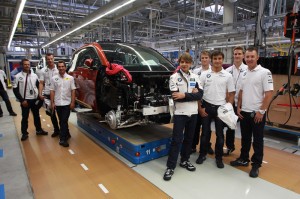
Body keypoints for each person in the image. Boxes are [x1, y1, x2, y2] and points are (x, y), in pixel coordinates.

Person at [230, 46, 273, 178]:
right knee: (245, 138)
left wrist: (261, 111)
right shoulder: (244, 73)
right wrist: (239, 107)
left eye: (252, 56)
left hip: (257, 113)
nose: (249, 59)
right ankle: (244, 158)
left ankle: (256, 164)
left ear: (257, 57)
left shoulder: (265, 72)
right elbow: (241, 91)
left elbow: (269, 93)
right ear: (245, 58)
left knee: (258, 139)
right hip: (245, 112)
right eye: (247, 57)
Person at [163, 53, 203, 181]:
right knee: (177, 140)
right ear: (179, 63)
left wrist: (184, 95)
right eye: (182, 62)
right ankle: (170, 166)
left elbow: (200, 95)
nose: (184, 64)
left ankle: (184, 160)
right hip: (180, 114)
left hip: (194, 113)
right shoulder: (174, 77)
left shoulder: (196, 77)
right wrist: (190, 95)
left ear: (191, 63)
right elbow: (176, 97)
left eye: (187, 62)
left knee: (189, 139)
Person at [196, 50, 235, 169]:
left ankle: (219, 158)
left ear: (222, 60)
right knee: (205, 133)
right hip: (206, 107)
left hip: (220, 108)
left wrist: (227, 109)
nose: (217, 61)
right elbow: (198, 92)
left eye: (219, 59)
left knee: (220, 135)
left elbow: (232, 93)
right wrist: (200, 108)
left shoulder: (228, 76)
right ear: (211, 60)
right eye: (215, 59)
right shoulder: (204, 75)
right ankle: (202, 154)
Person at [13, 59, 48, 141]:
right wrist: (22, 100)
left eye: (28, 64)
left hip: (34, 99)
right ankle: (24, 133)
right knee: (25, 117)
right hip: (25, 101)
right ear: (22, 65)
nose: (27, 66)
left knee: (36, 115)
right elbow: (15, 90)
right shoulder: (18, 76)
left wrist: (40, 95)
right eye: (25, 64)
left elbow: (38, 85)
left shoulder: (34, 76)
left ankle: (39, 130)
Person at [224, 46, 248, 155]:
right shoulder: (227, 71)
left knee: (245, 130)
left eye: (239, 54)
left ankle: (244, 154)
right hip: (231, 103)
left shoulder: (248, 70)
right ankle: (230, 147)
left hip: (244, 104)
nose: (237, 56)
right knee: (230, 126)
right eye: (235, 54)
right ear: (233, 55)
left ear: (243, 55)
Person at [191, 50, 214, 155]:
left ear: (210, 59)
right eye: (202, 58)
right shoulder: (195, 71)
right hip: (196, 103)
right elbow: (192, 86)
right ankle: (193, 146)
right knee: (195, 126)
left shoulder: (213, 71)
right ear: (200, 59)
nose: (204, 59)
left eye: (206, 57)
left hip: (207, 103)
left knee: (206, 127)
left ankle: (206, 145)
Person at [50, 60, 76, 147]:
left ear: (65, 67)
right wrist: (52, 102)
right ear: (57, 68)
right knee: (61, 121)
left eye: (62, 66)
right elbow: (52, 91)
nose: (61, 68)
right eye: (59, 67)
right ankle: (67, 133)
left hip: (66, 104)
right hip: (58, 103)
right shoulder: (54, 78)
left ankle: (62, 139)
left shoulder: (70, 78)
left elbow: (73, 91)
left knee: (63, 121)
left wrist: (72, 102)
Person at [39, 53, 60, 137]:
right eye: (48, 59)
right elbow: (41, 83)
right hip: (48, 94)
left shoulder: (59, 69)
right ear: (46, 60)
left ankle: (65, 130)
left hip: (58, 94)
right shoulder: (43, 71)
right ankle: (56, 130)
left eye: (51, 58)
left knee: (61, 114)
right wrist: (40, 93)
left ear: (53, 59)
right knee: (52, 114)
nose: (50, 60)